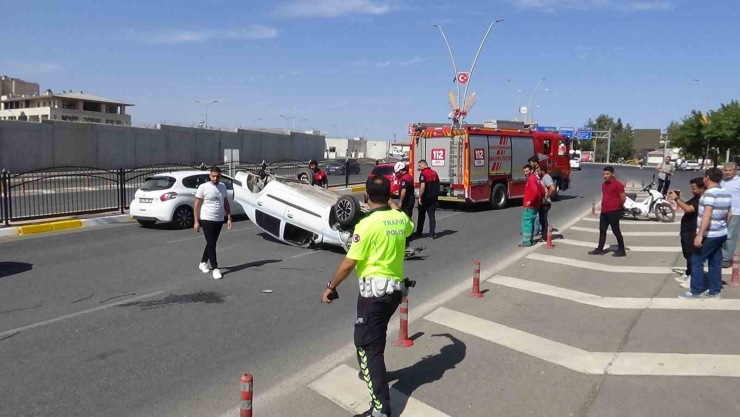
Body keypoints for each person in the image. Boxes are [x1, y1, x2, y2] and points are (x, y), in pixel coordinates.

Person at [321, 175, 414, 417]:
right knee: (376, 338)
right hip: (394, 294)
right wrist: (393, 204)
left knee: (365, 346)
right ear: (390, 197)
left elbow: (349, 262)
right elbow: (408, 225)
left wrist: (331, 286)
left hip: (374, 296)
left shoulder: (366, 225)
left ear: (366, 197)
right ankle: (376, 370)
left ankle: (380, 409)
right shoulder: (400, 219)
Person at [680, 168, 731, 300]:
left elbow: (707, 215)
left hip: (710, 234)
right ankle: (715, 291)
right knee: (715, 262)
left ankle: (695, 291)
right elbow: (729, 215)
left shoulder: (708, 194)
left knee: (697, 260)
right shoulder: (726, 193)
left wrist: (700, 235)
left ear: (707, 178)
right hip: (721, 232)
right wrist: (724, 228)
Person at [194, 166, 233, 280]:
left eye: (217, 176)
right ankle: (215, 268)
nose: (215, 178)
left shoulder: (222, 187)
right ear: (210, 176)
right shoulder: (203, 187)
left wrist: (229, 218)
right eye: (213, 176)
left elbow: (226, 203)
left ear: (220, 176)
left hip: (219, 219)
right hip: (206, 218)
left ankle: (203, 262)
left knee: (211, 243)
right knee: (211, 243)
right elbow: (196, 204)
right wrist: (196, 221)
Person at [669, 178, 705, 289]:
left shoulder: (702, 199)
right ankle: (688, 273)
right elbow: (686, 205)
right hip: (686, 229)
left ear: (702, 188)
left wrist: (676, 198)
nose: (692, 190)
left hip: (692, 230)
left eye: (694, 188)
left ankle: (693, 277)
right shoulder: (696, 197)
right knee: (687, 254)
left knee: (691, 255)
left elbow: (688, 209)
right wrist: (677, 199)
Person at [588, 166, 627, 257]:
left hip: (614, 211)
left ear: (612, 174)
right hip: (604, 211)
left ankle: (622, 250)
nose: (605, 176)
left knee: (616, 231)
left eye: (607, 174)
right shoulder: (604, 185)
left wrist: (618, 206)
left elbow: (623, 198)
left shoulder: (618, 185)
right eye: (604, 174)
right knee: (602, 230)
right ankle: (600, 249)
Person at [720, 162, 740, 268]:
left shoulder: (738, 181)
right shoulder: (723, 181)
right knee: (722, 235)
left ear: (735, 171)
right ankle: (722, 255)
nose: (727, 172)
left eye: (730, 170)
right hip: (722, 212)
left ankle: (727, 258)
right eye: (726, 170)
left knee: (730, 236)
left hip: (735, 213)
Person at [415, 159, 439, 239]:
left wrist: (420, 197)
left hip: (425, 197)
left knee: (421, 215)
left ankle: (419, 232)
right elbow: (438, 185)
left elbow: (423, 186)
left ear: (423, 165)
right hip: (433, 198)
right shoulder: (435, 173)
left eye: (419, 165)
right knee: (432, 216)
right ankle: (432, 233)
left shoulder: (423, 174)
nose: (419, 167)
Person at [521, 164, 543, 247]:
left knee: (527, 223)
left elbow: (536, 191)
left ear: (531, 170)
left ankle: (527, 242)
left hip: (530, 206)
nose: (525, 173)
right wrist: (539, 200)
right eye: (524, 172)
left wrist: (531, 201)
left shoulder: (531, 179)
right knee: (531, 223)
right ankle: (531, 240)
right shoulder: (536, 178)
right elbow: (542, 190)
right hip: (535, 206)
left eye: (527, 171)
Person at [538, 164, 557, 238]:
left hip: (546, 202)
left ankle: (545, 237)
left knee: (543, 219)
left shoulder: (547, 178)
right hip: (542, 202)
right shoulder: (543, 178)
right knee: (542, 220)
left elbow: (552, 188)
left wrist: (545, 198)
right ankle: (544, 236)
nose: (537, 172)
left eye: (538, 171)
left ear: (542, 171)